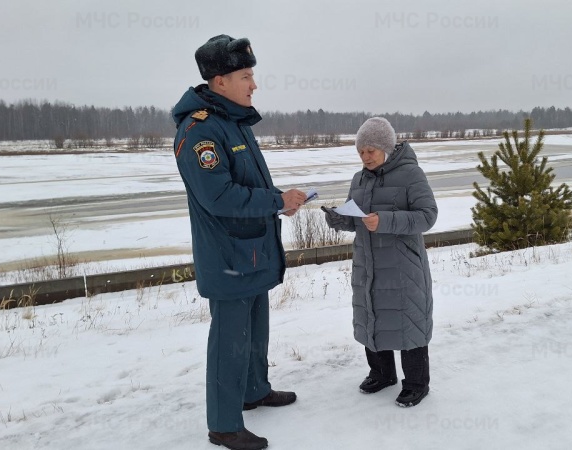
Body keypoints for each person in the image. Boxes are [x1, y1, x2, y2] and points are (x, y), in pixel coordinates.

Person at [172, 34, 306, 450]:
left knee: (255, 332)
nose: (254, 84)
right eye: (246, 75)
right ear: (219, 81)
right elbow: (219, 196)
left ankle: (253, 391)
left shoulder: (234, 123)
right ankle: (224, 424)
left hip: (252, 252)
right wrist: (275, 201)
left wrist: (278, 201)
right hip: (229, 257)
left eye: (253, 75)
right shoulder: (201, 132)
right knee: (229, 341)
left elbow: (249, 183)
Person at [323, 117, 437, 407]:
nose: (365, 157)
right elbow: (357, 219)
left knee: (408, 320)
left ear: (386, 147)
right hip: (368, 264)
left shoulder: (411, 174)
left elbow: (427, 216)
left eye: (371, 150)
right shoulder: (359, 178)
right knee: (371, 317)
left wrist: (385, 221)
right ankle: (382, 373)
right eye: (361, 151)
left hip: (403, 267)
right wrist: (340, 218)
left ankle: (416, 383)